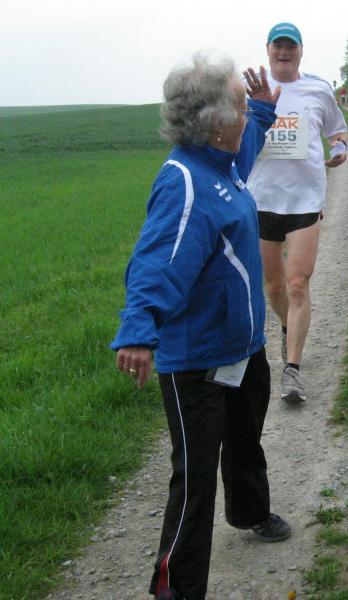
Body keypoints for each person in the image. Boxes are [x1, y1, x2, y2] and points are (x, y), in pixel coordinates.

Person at [111, 54, 289, 600]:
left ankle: (251, 511)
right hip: (197, 363)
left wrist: (263, 111)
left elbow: (246, 151)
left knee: (246, 439)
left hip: (244, 348)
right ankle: (177, 589)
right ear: (216, 123)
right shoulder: (185, 182)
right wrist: (138, 329)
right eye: (241, 105)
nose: (245, 114)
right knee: (194, 482)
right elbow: (157, 260)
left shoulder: (221, 164)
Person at [246, 22, 348, 404]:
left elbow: (337, 131)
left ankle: (292, 370)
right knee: (274, 287)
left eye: (291, 46)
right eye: (278, 46)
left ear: (301, 51)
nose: (284, 52)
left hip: (305, 200)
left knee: (297, 283)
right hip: (261, 200)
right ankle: (289, 327)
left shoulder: (318, 89)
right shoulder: (249, 90)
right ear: (268, 49)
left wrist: (339, 149)